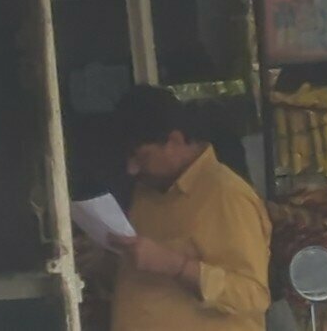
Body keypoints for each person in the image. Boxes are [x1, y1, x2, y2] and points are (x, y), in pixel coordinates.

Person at [108, 85, 271, 331]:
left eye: (141, 157)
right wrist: (109, 259)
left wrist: (176, 266)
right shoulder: (146, 192)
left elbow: (252, 295)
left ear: (174, 140)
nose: (132, 170)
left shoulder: (226, 194)